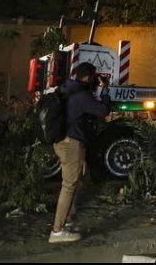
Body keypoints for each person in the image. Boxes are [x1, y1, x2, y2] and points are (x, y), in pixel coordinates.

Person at [49, 62, 112, 244]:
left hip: (61, 141)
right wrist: (105, 91)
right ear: (88, 77)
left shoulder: (65, 88)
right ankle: (57, 230)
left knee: (77, 181)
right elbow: (103, 110)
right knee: (69, 185)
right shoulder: (82, 95)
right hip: (71, 143)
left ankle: (68, 221)